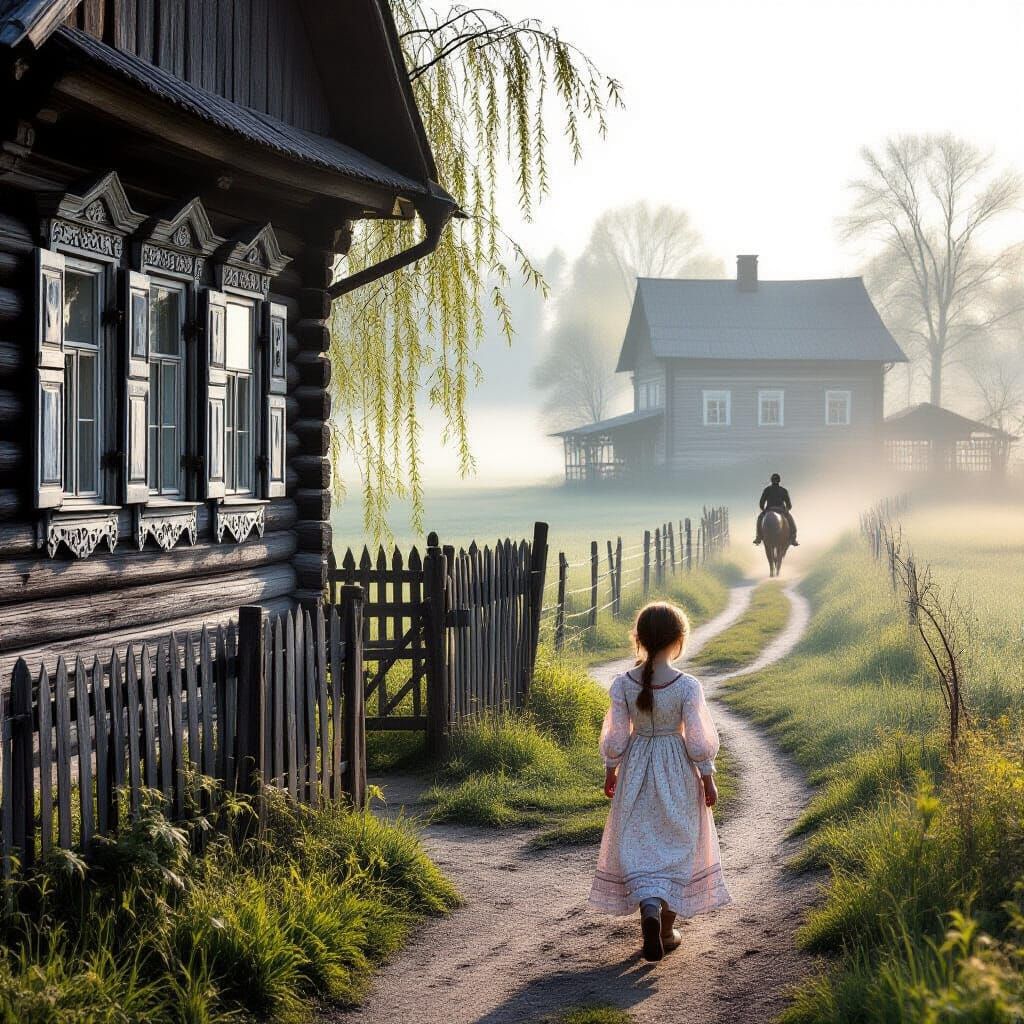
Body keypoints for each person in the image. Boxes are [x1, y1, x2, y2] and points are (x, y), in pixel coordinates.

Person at [589, 602, 732, 962]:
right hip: (677, 771)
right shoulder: (687, 687)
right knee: (679, 843)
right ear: (678, 640)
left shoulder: (622, 684)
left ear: (638, 639)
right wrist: (707, 776)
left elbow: (617, 736)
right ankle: (666, 930)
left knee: (640, 841)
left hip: (637, 768)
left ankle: (648, 910)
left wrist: (611, 770)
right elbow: (698, 739)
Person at [753, 472, 799, 546]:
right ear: (779, 481)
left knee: (759, 519)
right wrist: (787, 510)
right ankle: (793, 538)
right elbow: (789, 505)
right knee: (791, 521)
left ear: (771, 481)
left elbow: (761, 503)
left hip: (769, 509)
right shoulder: (783, 490)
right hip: (781, 510)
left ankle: (758, 537)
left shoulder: (767, 490)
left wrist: (763, 510)